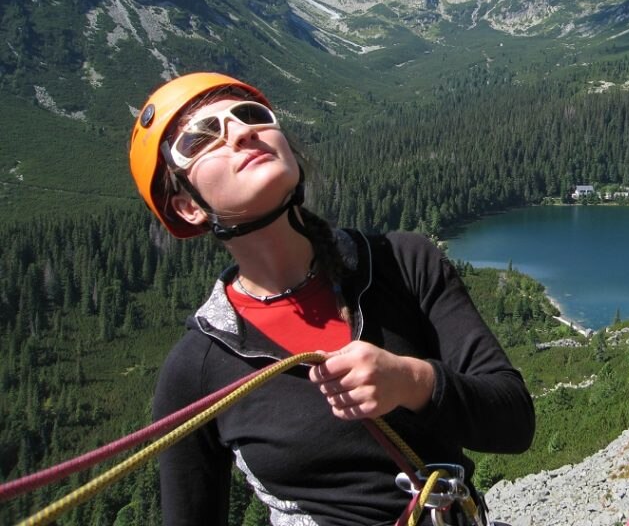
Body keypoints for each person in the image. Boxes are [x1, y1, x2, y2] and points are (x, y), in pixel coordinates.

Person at [128, 72, 535, 526]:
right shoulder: (199, 369)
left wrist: (411, 381)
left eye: (251, 116)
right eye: (201, 138)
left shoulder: (403, 263)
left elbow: (515, 420)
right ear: (187, 206)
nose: (242, 132)